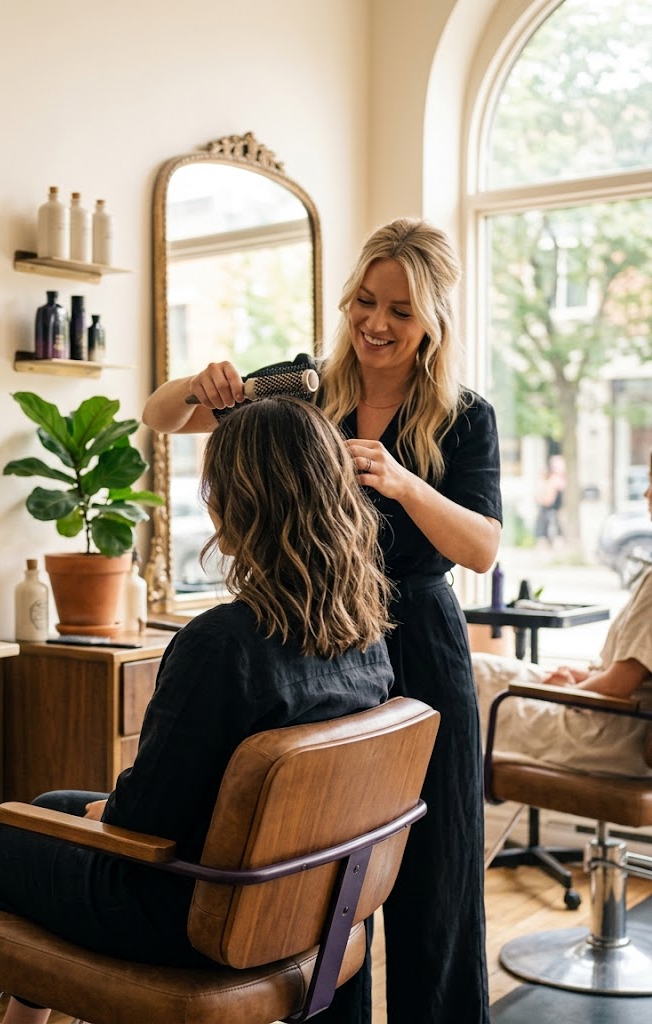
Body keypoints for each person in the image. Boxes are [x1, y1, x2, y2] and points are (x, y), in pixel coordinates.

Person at [0, 396, 396, 1024]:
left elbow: (145, 823)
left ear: (238, 506)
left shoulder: (222, 644)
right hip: (300, 906)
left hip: (188, 916)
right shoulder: (367, 639)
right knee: (49, 807)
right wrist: (98, 810)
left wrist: (110, 810)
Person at [143, 216, 503, 1024]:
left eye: (399, 311)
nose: (374, 323)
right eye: (362, 302)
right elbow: (162, 416)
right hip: (324, 639)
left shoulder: (462, 417)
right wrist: (199, 386)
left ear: (434, 320)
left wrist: (404, 483)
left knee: (434, 873)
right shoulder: (308, 388)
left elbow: (480, 548)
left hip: (420, 648)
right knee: (331, 874)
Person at [475, 452, 652, 778]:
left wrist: (568, 693)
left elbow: (618, 686)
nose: (645, 494)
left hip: (606, 735)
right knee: (476, 667)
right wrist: (580, 678)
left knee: (465, 690)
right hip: (614, 717)